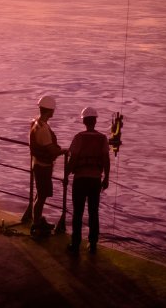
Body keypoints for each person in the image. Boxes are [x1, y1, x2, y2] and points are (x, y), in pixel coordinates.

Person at [66, 107, 110, 254]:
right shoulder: (103, 138)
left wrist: (66, 176)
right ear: (95, 121)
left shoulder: (79, 137)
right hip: (95, 180)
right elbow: (106, 160)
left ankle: (75, 244)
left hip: (80, 180)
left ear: (84, 121)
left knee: (77, 213)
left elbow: (72, 160)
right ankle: (93, 244)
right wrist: (107, 178)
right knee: (93, 212)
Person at [29, 95, 66, 235]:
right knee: (42, 195)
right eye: (53, 109)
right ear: (50, 111)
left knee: (40, 194)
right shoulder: (43, 130)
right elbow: (51, 150)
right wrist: (63, 151)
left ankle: (37, 220)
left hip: (37, 163)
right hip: (43, 166)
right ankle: (36, 224)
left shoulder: (36, 123)